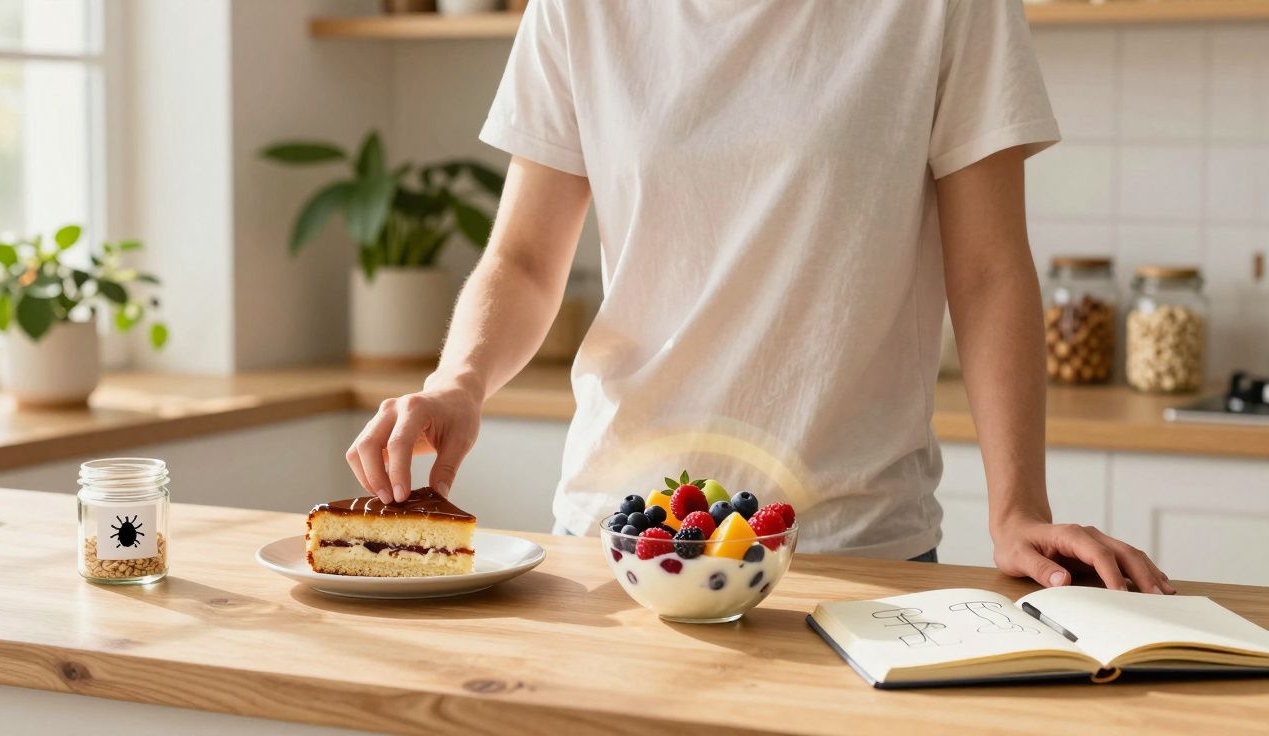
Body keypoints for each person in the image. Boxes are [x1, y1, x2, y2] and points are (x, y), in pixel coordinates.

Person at [346, 0, 1174, 594]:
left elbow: (989, 271)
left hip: (853, 551)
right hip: (619, 544)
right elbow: (525, 259)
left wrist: (1018, 509)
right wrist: (459, 381)